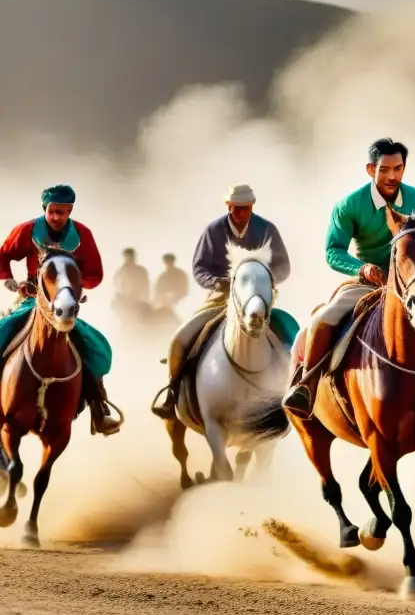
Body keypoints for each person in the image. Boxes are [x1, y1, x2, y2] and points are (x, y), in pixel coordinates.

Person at [281, 137, 415, 421]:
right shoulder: (349, 205)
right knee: (322, 320)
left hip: (413, 288)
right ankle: (306, 387)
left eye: (398, 168)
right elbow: (333, 251)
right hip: (367, 285)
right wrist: (362, 269)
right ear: (371, 169)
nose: (392, 176)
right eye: (385, 169)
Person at [151, 185, 297, 420]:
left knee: (293, 333)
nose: (240, 214)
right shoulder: (214, 230)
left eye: (245, 209)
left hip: (257, 299)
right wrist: (215, 281)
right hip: (220, 298)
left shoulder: (267, 229)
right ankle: (172, 392)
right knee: (181, 339)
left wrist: (266, 280)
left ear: (252, 207)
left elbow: (283, 266)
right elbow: (199, 267)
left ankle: (298, 388)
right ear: (228, 207)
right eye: (236, 209)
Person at [0, 185, 123, 435]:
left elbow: (95, 273)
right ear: (45, 209)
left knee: (95, 347)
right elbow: (2, 256)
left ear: (70, 212)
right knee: (3, 332)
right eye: (53, 212)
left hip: (63, 305)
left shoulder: (83, 234)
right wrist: (8, 279)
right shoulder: (26, 231)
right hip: (32, 301)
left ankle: (100, 408)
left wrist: (74, 286)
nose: (57, 217)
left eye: (63, 213)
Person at [113, 247, 150, 312]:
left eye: (131, 257)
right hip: (124, 302)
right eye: (128, 257)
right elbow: (116, 286)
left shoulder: (141, 271)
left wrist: (143, 298)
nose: (130, 259)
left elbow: (146, 287)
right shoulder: (120, 272)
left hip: (139, 301)